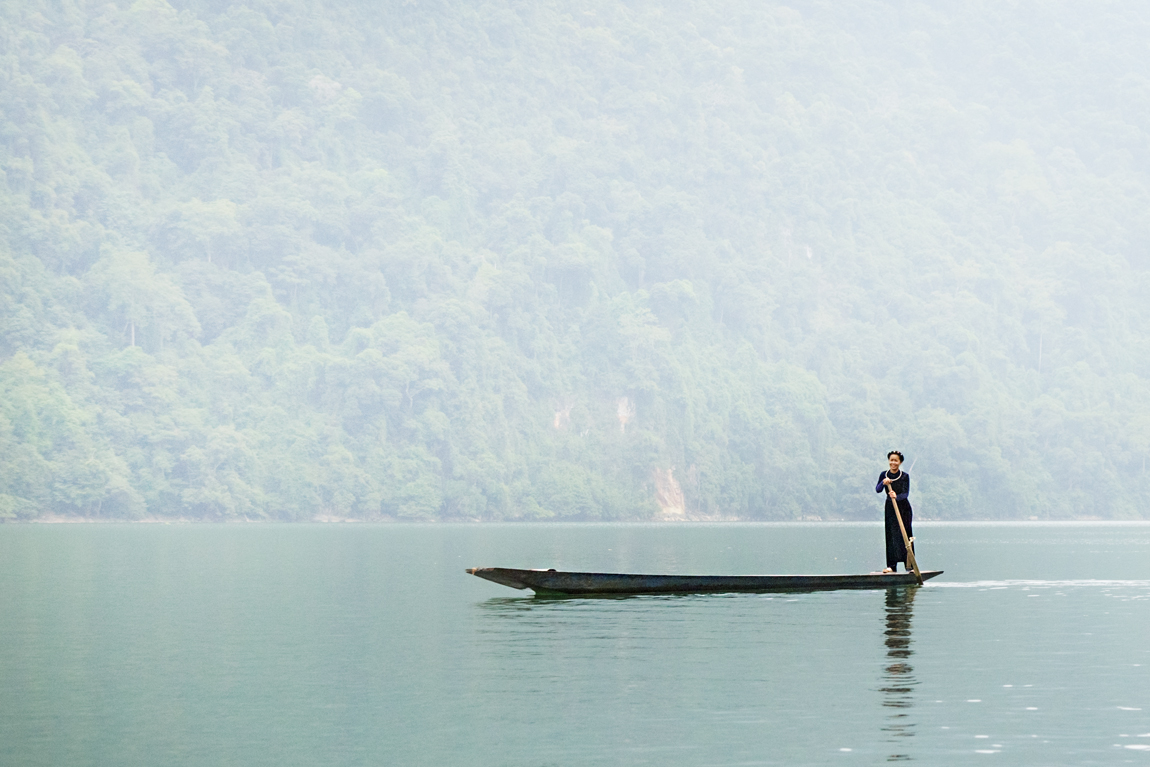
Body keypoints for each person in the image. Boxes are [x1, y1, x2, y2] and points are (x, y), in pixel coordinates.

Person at [875, 451, 914, 573]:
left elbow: (905, 493)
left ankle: (910, 566)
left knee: (906, 536)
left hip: (903, 508)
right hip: (890, 508)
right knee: (891, 536)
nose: (893, 463)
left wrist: (896, 496)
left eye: (896, 460)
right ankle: (891, 566)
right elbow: (878, 489)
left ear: (900, 462)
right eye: (891, 460)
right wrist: (883, 483)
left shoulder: (904, 476)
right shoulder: (884, 475)